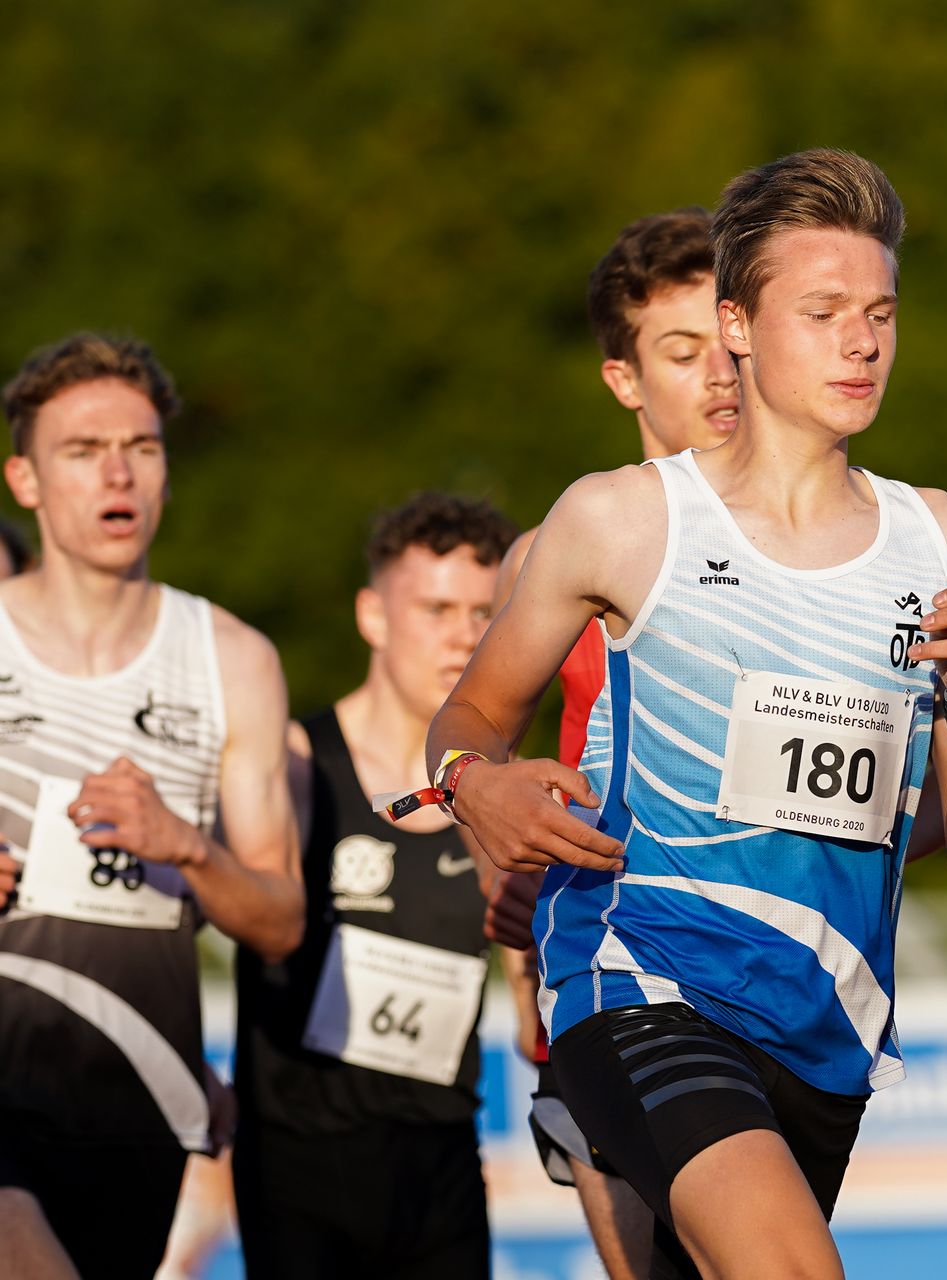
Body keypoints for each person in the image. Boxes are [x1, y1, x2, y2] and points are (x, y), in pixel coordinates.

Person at [426, 148, 947, 1279]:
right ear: (739, 324)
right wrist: (477, 785)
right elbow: (470, 712)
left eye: (881, 313)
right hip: (640, 974)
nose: (863, 341)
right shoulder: (624, 521)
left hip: (826, 1026)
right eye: (824, 311)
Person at [0, 332, 303, 1278]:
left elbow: (281, 923)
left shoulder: (233, 659)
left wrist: (187, 846)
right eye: (83, 453)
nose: (116, 474)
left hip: (139, 1085)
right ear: (26, 481)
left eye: (141, 447)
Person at [488, 207, 740, 1280]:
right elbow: (474, 747)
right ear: (623, 378)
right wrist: (504, 856)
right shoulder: (556, 551)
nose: (719, 377)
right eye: (683, 354)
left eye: (732, 348)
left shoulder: (837, 546)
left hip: (768, 971)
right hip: (608, 968)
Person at [232, 492, 515, 1278]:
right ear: (373, 615)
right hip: (298, 1167)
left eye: (484, 612)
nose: (463, 634)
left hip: (443, 1162)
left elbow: (533, 989)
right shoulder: (291, 761)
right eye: (436, 607)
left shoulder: (504, 793)